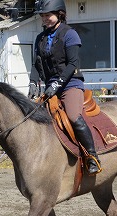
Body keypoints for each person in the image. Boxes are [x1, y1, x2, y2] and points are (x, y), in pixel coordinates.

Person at [28, 0, 101, 175]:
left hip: (70, 84)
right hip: (49, 88)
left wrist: (57, 84)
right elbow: (36, 65)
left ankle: (92, 156)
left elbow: (73, 63)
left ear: (59, 14)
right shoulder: (41, 38)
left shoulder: (70, 34)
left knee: (73, 116)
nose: (45, 19)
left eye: (48, 15)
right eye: (43, 16)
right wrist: (32, 82)